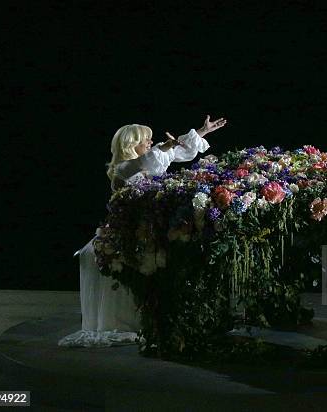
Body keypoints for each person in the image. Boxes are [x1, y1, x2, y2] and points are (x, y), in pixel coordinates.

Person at [58, 115, 227, 347]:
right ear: (131, 144)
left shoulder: (146, 160)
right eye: (145, 139)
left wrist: (201, 131)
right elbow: (147, 161)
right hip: (130, 229)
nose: (150, 142)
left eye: (150, 139)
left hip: (148, 226)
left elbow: (174, 153)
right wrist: (165, 147)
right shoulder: (123, 168)